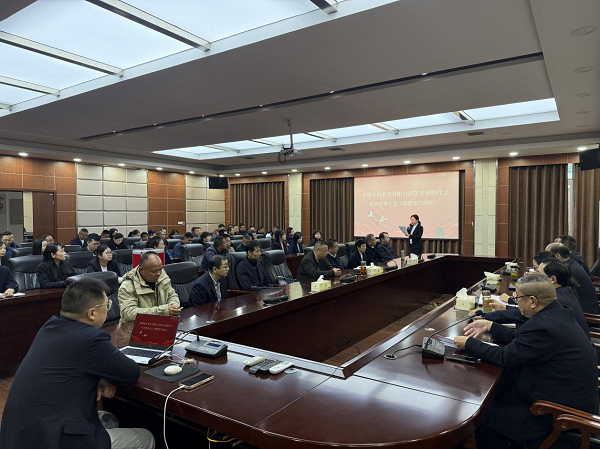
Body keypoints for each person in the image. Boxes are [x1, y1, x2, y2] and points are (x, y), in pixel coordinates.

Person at [0, 278, 155, 449]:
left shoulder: (49, 326)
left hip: (18, 435)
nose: (108, 309)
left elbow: (71, 367)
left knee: (109, 419)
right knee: (146, 438)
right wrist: (104, 376)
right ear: (92, 313)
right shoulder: (90, 339)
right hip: (53, 440)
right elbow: (131, 372)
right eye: (107, 305)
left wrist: (99, 378)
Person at [454, 274, 598, 449]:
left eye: (518, 299)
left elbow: (505, 357)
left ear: (533, 301)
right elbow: (522, 338)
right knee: (499, 392)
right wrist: (490, 326)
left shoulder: (544, 326)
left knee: (485, 416)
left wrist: (469, 343)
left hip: (558, 415)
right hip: (568, 396)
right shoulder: (556, 313)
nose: (516, 302)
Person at [483, 261, 590, 339]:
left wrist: (488, 317)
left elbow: (523, 317)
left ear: (552, 279)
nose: (533, 274)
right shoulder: (564, 290)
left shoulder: (557, 299)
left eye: (538, 273)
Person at [118, 251, 180, 322]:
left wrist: (173, 306)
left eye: (160, 269)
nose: (158, 274)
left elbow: (172, 295)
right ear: (141, 270)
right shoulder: (127, 286)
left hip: (160, 323)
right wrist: (163, 310)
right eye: (154, 271)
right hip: (136, 326)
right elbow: (128, 313)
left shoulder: (162, 276)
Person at [545, 243, 599, 314]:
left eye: (548, 255)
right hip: (581, 308)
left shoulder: (569, 270)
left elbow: (552, 290)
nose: (545, 259)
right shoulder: (571, 263)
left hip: (586, 313)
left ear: (557, 255)